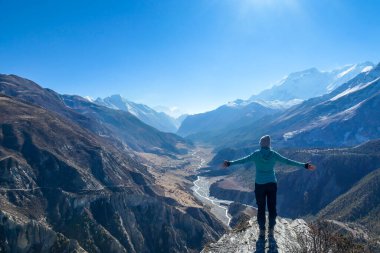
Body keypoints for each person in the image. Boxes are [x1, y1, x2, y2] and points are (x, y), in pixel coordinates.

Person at [223, 135, 316, 238]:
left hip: (259, 184)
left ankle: (262, 229)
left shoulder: (256, 154)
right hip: (272, 183)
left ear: (261, 144)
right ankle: (271, 228)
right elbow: (287, 161)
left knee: (261, 207)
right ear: (269, 144)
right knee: (272, 207)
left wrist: (230, 163)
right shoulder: (273, 154)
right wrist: (304, 165)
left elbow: (243, 160)